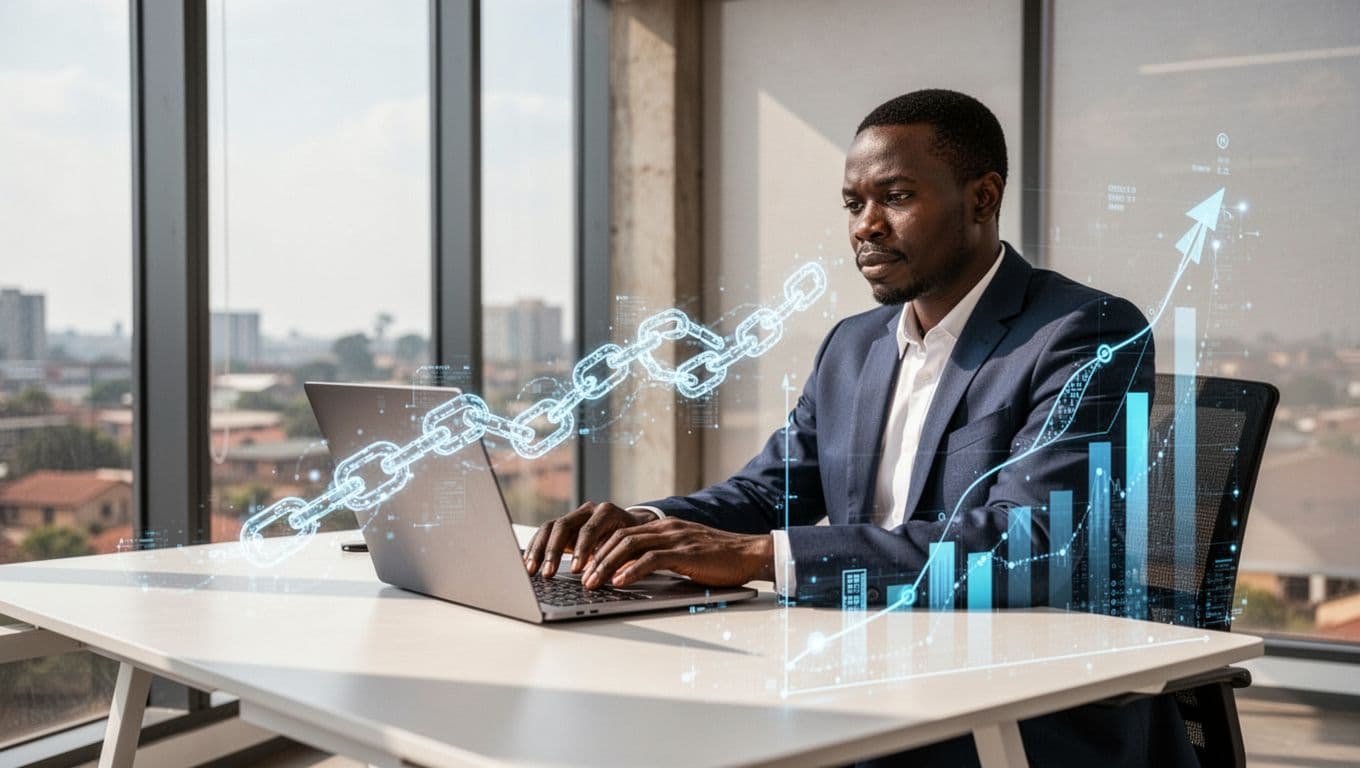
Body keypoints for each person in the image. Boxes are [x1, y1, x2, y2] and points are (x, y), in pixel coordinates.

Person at [526, 89, 1195, 766]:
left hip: (1018, 708)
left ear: (982, 197)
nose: (865, 226)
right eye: (853, 204)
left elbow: (1033, 547)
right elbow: (768, 492)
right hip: (865, 671)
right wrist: (638, 527)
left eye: (895, 197)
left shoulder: (1085, 333)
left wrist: (764, 557)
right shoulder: (853, 346)